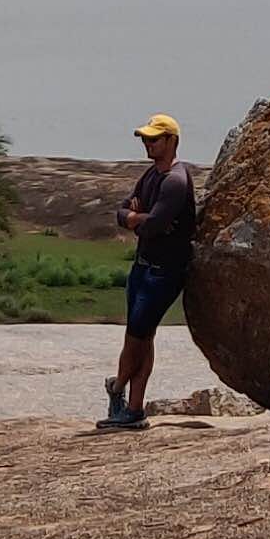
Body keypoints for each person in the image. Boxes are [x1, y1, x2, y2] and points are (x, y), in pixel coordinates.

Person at [101, 112, 193, 430]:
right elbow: (122, 211)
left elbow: (155, 225)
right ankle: (134, 408)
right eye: (146, 139)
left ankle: (116, 387)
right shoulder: (150, 175)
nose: (148, 144)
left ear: (172, 141)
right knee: (145, 336)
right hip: (142, 267)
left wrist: (139, 219)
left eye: (154, 139)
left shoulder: (176, 181)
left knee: (136, 335)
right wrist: (136, 216)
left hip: (164, 272)